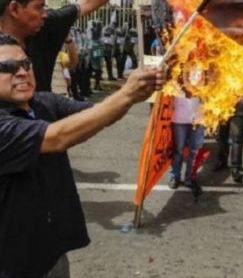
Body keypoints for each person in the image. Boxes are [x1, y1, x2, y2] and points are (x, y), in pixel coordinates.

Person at [0, 33, 165, 277]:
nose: (22, 72)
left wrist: (136, 90)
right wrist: (127, 94)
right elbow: (56, 137)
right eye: (8, 68)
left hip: (50, 252)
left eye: (26, 64)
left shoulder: (43, 102)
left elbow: (98, 114)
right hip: (12, 262)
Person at [0, 0, 162, 91]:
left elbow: (87, 2)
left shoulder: (47, 26)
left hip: (44, 128)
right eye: (38, 7)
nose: (44, 14)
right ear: (14, 9)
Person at [213, 95, 243, 183]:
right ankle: (222, 160)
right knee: (221, 136)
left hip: (239, 109)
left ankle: (235, 167)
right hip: (222, 106)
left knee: (237, 138)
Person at [168, 95, 205, 189]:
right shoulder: (176, 80)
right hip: (179, 118)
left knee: (195, 151)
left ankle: (190, 178)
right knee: (178, 150)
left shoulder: (204, 79)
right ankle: (175, 176)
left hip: (198, 119)